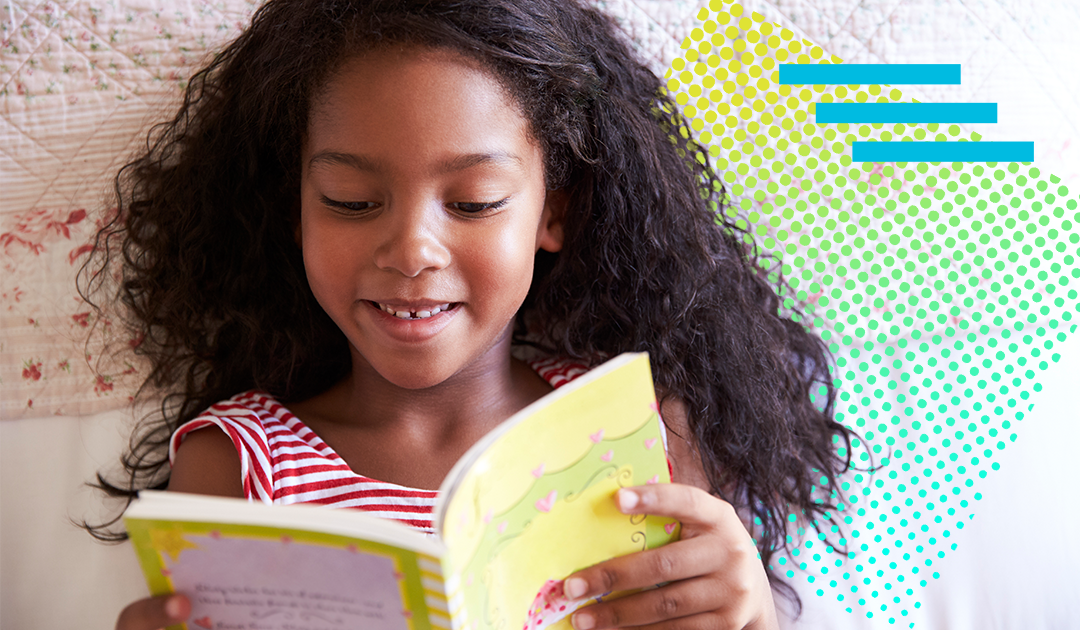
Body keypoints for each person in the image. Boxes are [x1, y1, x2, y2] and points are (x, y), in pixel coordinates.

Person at [80, 0, 855, 628]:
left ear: (556, 210)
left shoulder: (641, 433)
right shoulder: (237, 467)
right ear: (295, 211)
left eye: (474, 202)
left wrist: (744, 613)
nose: (412, 249)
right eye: (352, 201)